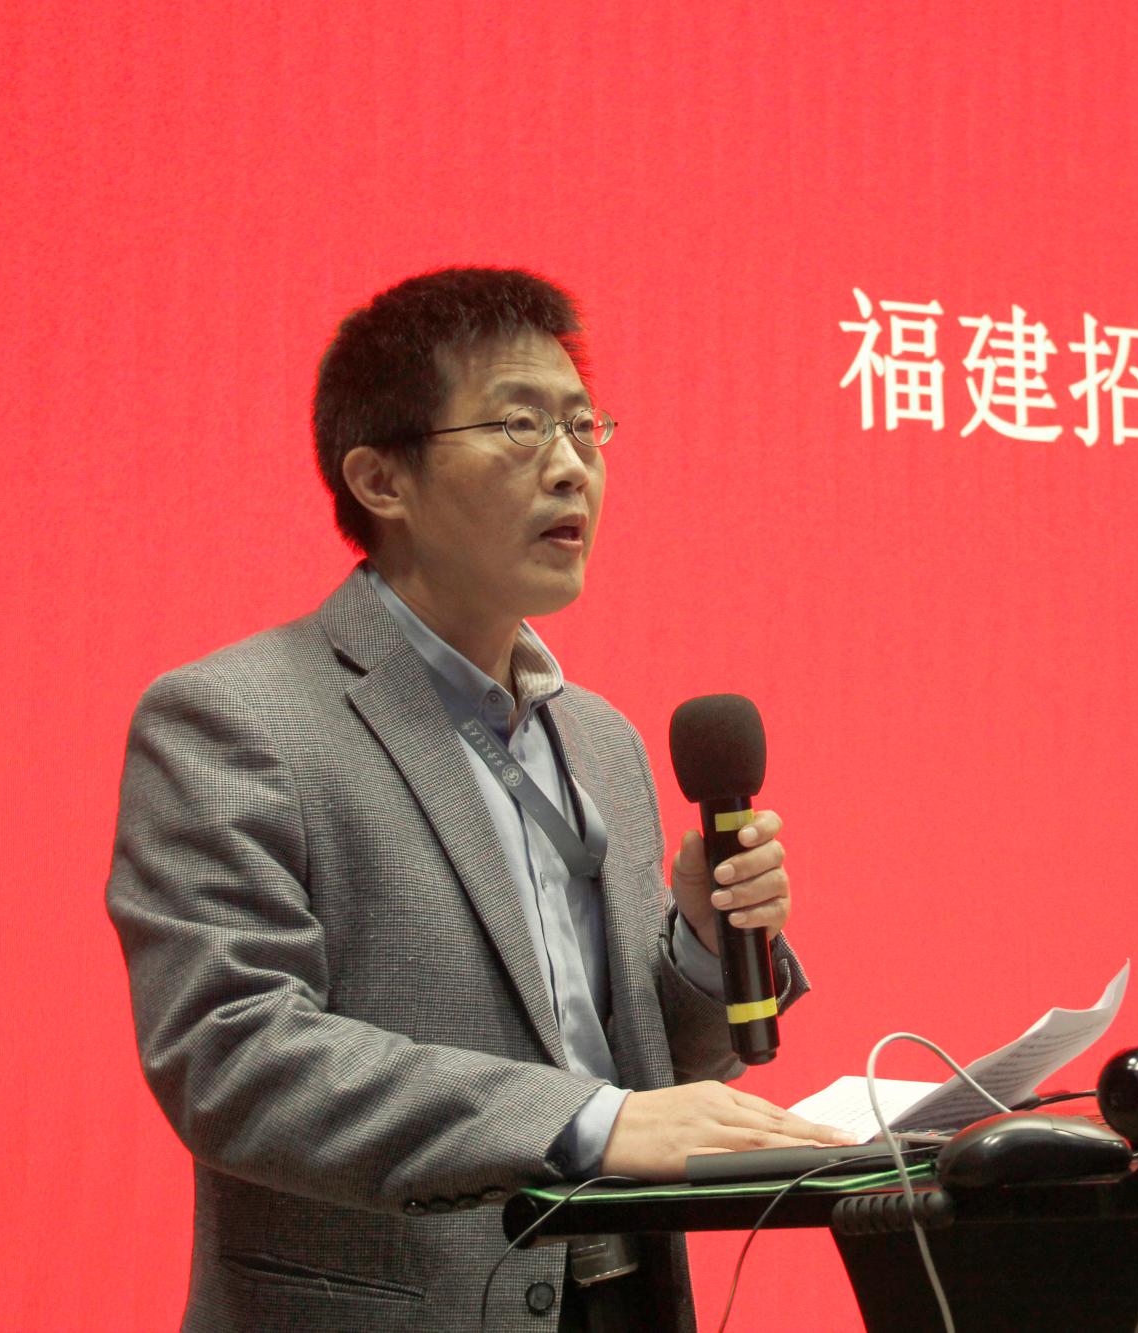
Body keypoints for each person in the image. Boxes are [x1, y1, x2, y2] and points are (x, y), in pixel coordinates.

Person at [106, 267, 846, 1332]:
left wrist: (698, 945)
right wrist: (587, 1122)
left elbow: (648, 1072)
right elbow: (234, 1057)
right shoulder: (235, 719)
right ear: (380, 479)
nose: (571, 466)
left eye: (585, 427)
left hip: (626, 1300)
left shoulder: (601, 739)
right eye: (519, 424)